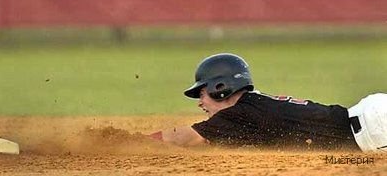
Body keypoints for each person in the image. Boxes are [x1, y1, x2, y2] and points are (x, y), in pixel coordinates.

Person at [152, 53, 387, 152]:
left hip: (373, 129)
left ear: (220, 89)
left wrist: (126, 141)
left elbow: (183, 138)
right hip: (368, 119)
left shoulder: (238, 114)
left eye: (201, 93)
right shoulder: (250, 107)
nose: (200, 103)